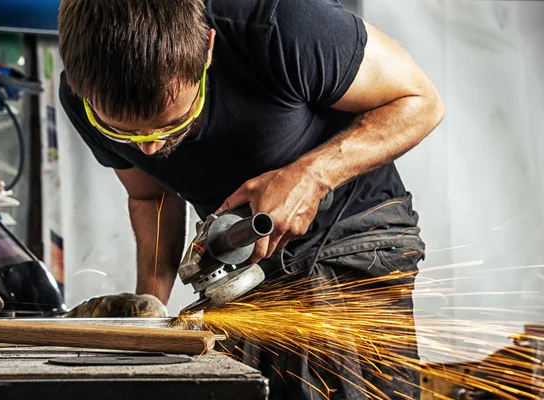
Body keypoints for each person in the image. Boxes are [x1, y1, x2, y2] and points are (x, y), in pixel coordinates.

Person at [57, 0, 444, 398]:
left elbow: (421, 102)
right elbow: (150, 197)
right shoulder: (81, 98)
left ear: (207, 49)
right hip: (240, 267)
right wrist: (149, 307)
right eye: (127, 134)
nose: (151, 149)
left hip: (349, 236)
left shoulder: (280, 25)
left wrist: (310, 177)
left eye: (173, 123)